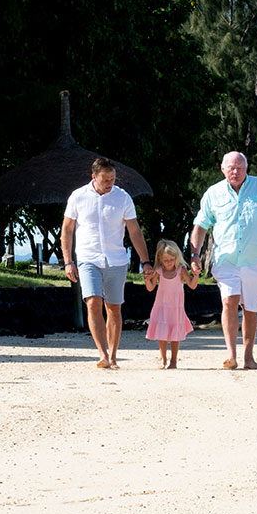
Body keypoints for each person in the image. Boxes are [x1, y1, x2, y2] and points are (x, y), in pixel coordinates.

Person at [189, 151, 257, 370]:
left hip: (256, 259)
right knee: (228, 302)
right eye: (231, 167)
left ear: (247, 168)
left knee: (251, 308)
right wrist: (194, 255)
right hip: (227, 259)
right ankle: (231, 355)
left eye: (240, 167)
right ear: (223, 169)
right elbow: (201, 225)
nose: (236, 171)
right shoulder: (213, 193)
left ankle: (248, 357)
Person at [61, 157, 155, 369]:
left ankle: (113, 355)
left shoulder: (123, 198)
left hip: (116, 259)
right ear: (93, 177)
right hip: (88, 258)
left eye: (112, 178)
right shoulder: (78, 197)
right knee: (93, 303)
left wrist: (146, 261)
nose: (109, 183)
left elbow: (134, 231)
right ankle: (102, 354)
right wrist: (68, 262)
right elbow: (66, 230)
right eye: (105, 179)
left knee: (113, 307)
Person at [143, 239, 200, 368]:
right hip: (161, 306)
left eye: (171, 259)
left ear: (176, 257)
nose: (168, 263)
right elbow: (151, 287)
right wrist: (147, 279)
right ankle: (163, 359)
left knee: (175, 336)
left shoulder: (181, 270)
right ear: (160, 259)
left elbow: (192, 285)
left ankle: (173, 361)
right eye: (165, 260)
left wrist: (195, 275)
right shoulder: (159, 271)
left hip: (176, 308)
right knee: (161, 335)